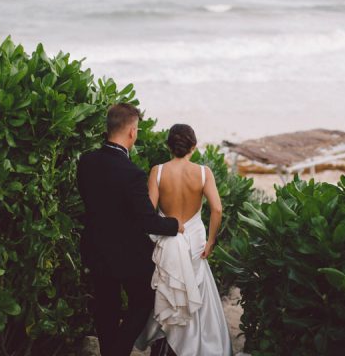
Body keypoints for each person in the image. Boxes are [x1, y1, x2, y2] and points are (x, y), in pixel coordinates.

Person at [77, 103, 184, 356]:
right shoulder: (132, 174)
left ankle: (108, 352)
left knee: (106, 306)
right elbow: (148, 221)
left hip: (94, 248)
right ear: (132, 132)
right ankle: (118, 351)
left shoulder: (86, 161)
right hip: (128, 256)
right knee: (144, 300)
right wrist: (175, 224)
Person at [135, 124, 233, 356]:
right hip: (196, 240)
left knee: (168, 290)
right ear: (194, 147)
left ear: (169, 146)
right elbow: (217, 209)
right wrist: (211, 241)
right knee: (195, 293)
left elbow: (148, 213)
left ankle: (164, 347)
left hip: (166, 240)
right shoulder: (203, 173)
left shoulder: (157, 172)